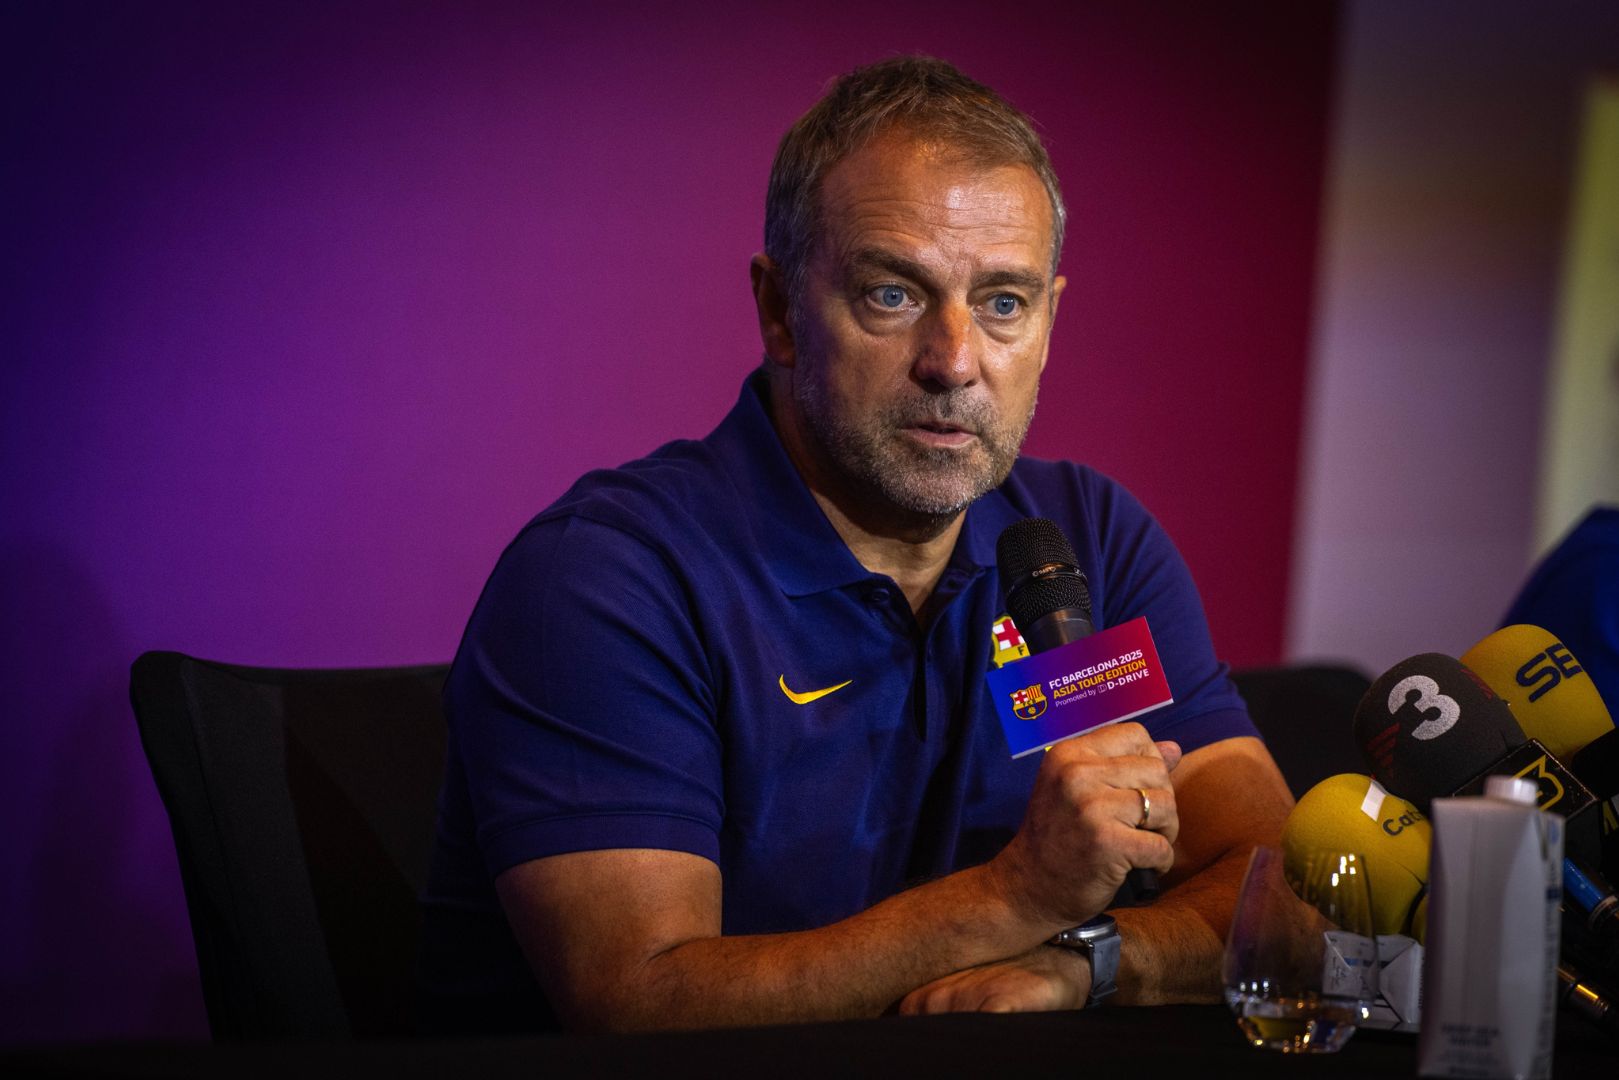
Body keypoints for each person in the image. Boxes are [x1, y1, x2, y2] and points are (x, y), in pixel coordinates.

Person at [419, 55, 1294, 1034]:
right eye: (892, 294)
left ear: (1048, 317)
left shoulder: (1085, 545)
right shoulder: (612, 579)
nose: (954, 360)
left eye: (1002, 302)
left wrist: (1083, 965)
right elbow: (639, 1001)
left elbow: (1281, 904)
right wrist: (1017, 899)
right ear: (781, 310)